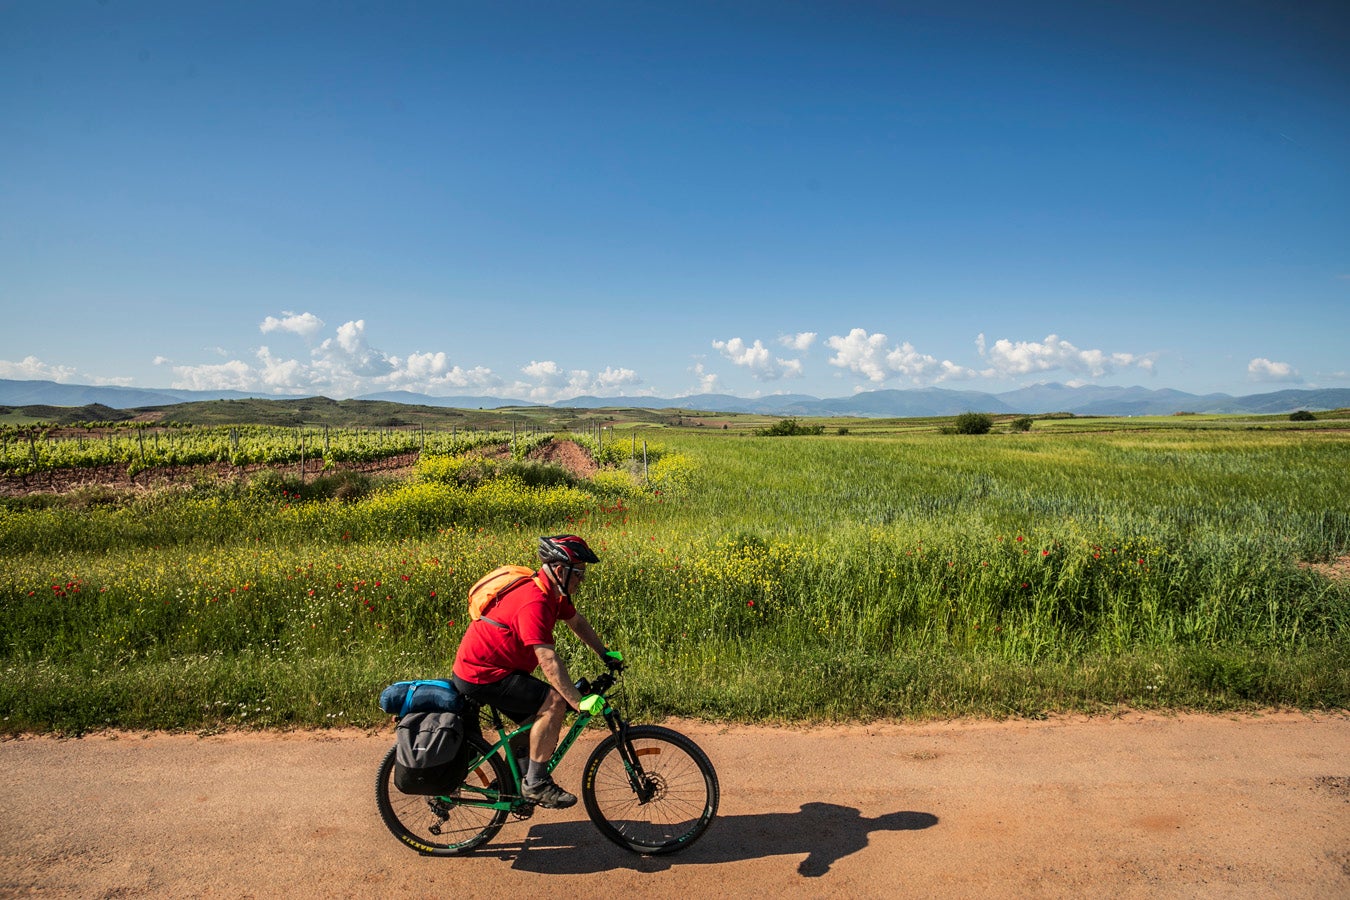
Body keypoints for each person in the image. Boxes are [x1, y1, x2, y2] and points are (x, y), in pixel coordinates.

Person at [451, 534, 623, 809]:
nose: (582, 580)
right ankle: (536, 784)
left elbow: (577, 622)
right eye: (579, 573)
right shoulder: (535, 601)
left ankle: (509, 781)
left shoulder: (552, 593)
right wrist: (577, 703)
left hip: (498, 669)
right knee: (554, 703)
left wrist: (605, 653)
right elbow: (548, 661)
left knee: (536, 719)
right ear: (559, 570)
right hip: (483, 674)